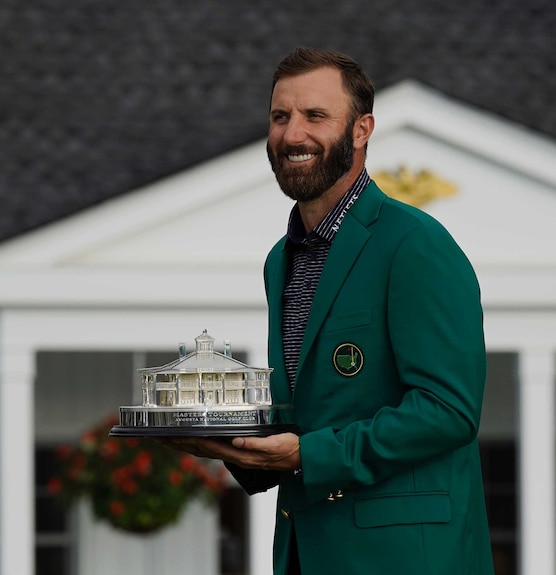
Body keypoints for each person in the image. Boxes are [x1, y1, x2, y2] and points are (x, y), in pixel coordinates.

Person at [166, 47, 494, 575]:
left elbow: (448, 411)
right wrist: (233, 446)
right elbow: (310, 416)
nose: (292, 134)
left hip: (406, 560)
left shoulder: (415, 245)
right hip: (304, 554)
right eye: (280, 117)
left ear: (361, 130)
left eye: (315, 116)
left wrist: (305, 456)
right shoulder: (282, 259)